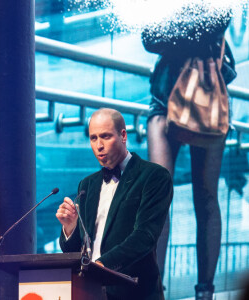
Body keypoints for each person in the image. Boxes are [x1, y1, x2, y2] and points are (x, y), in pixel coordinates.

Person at [142, 9, 237, 300]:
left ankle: (204, 292)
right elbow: (149, 38)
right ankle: (152, 288)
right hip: (163, 99)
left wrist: (172, 31)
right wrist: (182, 32)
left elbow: (213, 25)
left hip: (207, 99)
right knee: (157, 197)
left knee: (206, 196)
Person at [56, 108, 173, 300]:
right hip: (89, 292)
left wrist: (101, 266)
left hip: (134, 293)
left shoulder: (154, 176)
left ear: (123, 135)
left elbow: (145, 237)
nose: (99, 145)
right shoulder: (87, 184)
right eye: (93, 138)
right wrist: (70, 228)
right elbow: (76, 251)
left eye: (105, 136)